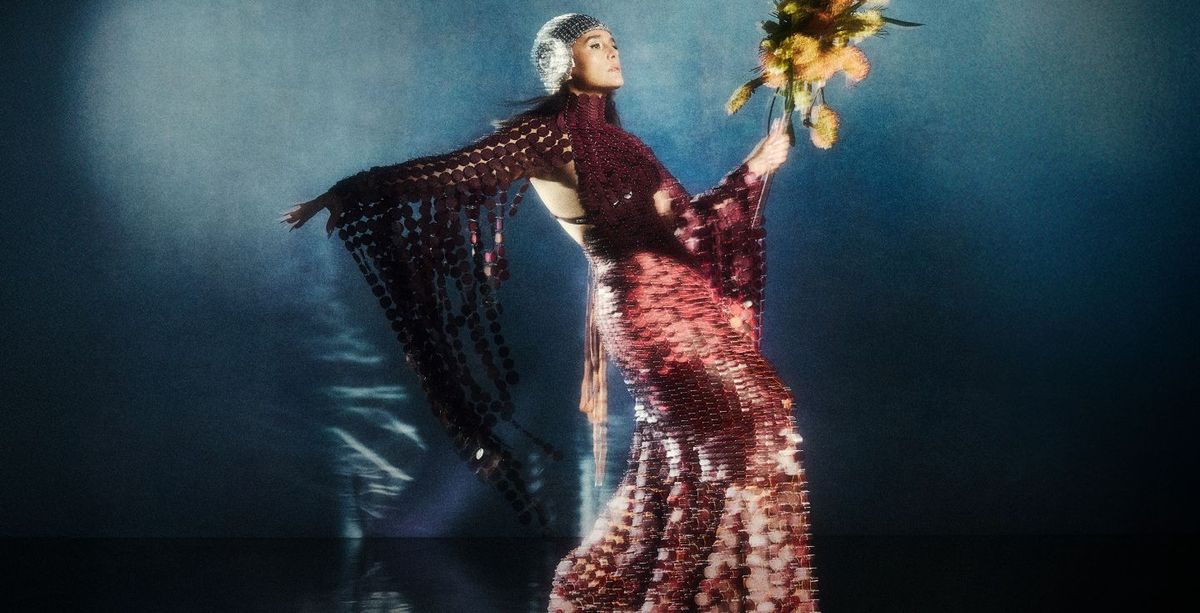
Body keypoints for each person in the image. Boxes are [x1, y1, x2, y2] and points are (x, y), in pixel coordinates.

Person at [282, 13, 817, 612]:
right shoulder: (549, 135)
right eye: (595, 44)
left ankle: (689, 592)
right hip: (646, 304)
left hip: (687, 300)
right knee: (753, 420)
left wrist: (755, 168)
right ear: (563, 64)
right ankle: (719, 593)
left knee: (716, 439)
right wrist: (349, 192)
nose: (613, 52)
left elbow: (688, 223)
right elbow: (452, 171)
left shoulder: (625, 144)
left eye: (613, 42)